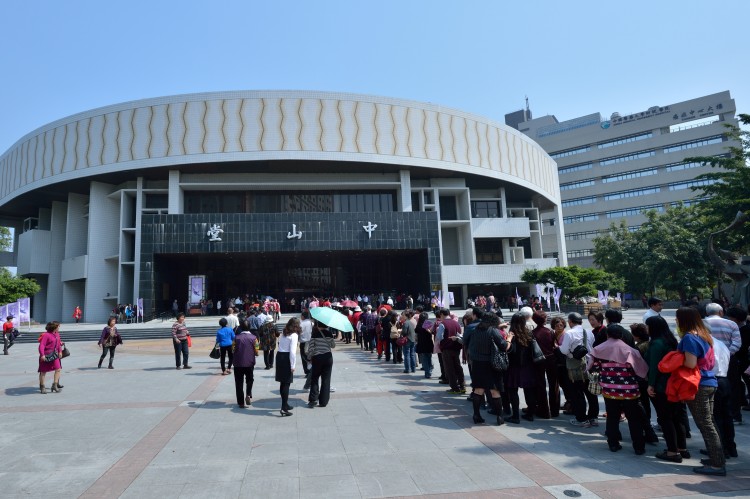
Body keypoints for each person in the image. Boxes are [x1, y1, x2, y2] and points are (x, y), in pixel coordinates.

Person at [675, 306, 725, 476]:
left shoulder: (689, 337)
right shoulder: (704, 334)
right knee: (710, 422)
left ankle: (717, 464)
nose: (676, 321)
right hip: (710, 381)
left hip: (698, 383)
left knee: (705, 424)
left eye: (677, 318)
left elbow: (690, 363)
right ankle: (716, 458)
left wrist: (674, 362)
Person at [588, 323, 649, 454]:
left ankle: (613, 444)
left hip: (609, 389)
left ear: (607, 335)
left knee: (612, 417)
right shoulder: (630, 351)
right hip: (629, 390)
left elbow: (592, 368)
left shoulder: (598, 349)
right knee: (634, 419)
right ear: (621, 335)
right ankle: (639, 447)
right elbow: (641, 371)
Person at [646, 316, 689, 463]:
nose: (646, 329)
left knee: (665, 418)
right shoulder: (671, 341)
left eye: (648, 326)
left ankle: (672, 451)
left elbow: (654, 367)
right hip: (675, 384)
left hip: (662, 385)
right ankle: (682, 448)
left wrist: (650, 384)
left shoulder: (656, 343)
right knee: (677, 418)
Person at [463, 312, 509, 425]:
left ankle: (476, 415)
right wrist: (510, 339)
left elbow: (470, 346)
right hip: (491, 364)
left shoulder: (476, 330)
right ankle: (499, 417)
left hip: (478, 364)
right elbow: (503, 346)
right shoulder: (493, 331)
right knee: (495, 391)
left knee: (478, 390)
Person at [559, 312, 598, 427]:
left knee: (577, 393)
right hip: (589, 365)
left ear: (570, 322)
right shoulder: (589, 332)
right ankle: (593, 417)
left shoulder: (569, 333)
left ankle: (581, 419)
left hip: (575, 367)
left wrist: (558, 348)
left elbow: (564, 351)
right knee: (591, 392)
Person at [506, 313, 536, 424]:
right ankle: (530, 414)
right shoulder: (528, 333)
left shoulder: (512, 334)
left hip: (514, 367)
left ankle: (515, 416)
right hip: (528, 366)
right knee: (529, 391)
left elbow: (509, 350)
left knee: (513, 392)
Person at [531, 311, 557, 419]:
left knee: (540, 385)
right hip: (551, 358)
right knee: (553, 384)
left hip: (538, 360)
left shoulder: (532, 333)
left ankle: (544, 411)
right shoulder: (550, 332)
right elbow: (554, 345)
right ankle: (554, 410)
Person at [307, 319, 336, 408]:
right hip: (328, 357)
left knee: (315, 378)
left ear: (318, 325)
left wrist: (309, 358)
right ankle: (323, 401)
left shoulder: (314, 334)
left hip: (317, 358)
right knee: (326, 379)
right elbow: (333, 346)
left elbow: (311, 348)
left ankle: (313, 400)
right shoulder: (329, 334)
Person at [437, 309, 465, 394]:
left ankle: (454, 388)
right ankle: (462, 385)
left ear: (442, 314)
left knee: (450, 368)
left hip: (447, 348)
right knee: (458, 366)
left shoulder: (443, 324)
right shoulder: (456, 323)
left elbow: (439, 337)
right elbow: (460, 334)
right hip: (456, 348)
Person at [276, 318, 300, 416]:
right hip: (286, 357)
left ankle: (285, 404)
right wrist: (293, 365)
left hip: (280, 356)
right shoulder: (294, 335)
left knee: (283, 383)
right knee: (286, 383)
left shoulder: (284, 332)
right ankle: (283, 408)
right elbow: (293, 352)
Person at [233, 320, 257, 408]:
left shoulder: (236, 338)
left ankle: (241, 402)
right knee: (250, 379)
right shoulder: (254, 338)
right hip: (250, 362)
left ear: (241, 328)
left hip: (238, 363)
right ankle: (248, 394)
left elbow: (232, 349)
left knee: (239, 382)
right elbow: (257, 350)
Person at [38, 321, 63, 394]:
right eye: (58, 326)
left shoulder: (57, 334)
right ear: (54, 327)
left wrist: (60, 351)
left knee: (58, 369)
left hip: (54, 355)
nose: (59, 328)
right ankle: (42, 386)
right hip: (46, 355)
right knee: (43, 371)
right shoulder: (46, 335)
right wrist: (42, 354)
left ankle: (54, 385)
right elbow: (41, 345)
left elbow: (58, 344)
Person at [415, 312, 434, 378]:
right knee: (429, 357)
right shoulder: (427, 323)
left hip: (421, 343)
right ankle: (430, 369)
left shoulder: (419, 324)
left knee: (425, 358)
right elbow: (432, 332)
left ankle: (427, 372)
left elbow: (416, 331)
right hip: (428, 342)